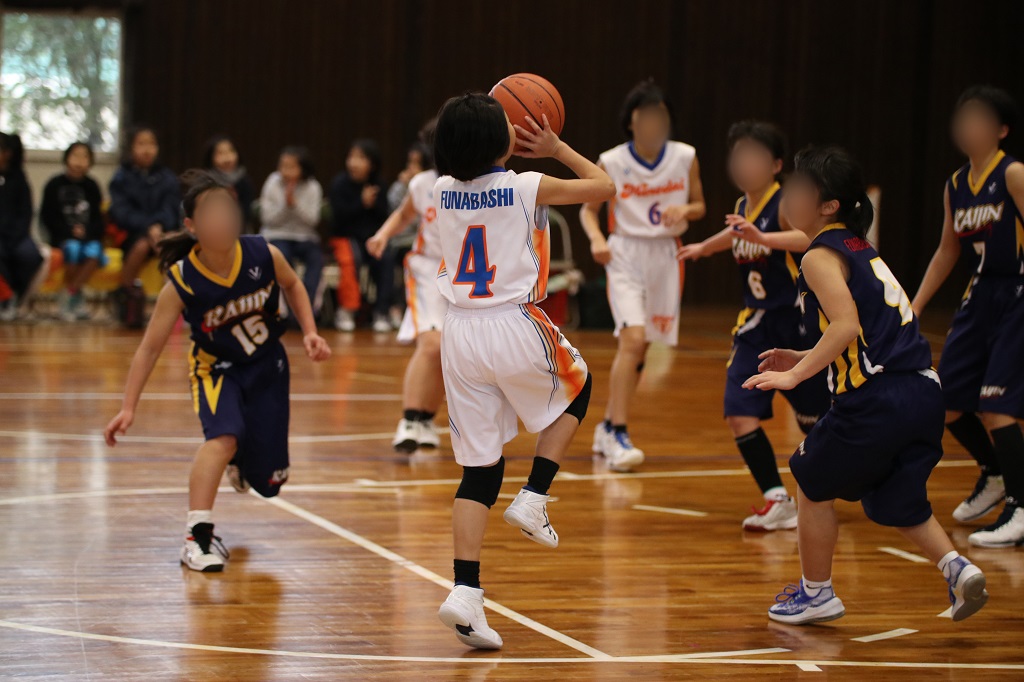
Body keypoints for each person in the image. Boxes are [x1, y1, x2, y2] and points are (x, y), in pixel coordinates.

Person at [745, 145, 988, 625]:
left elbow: (845, 327)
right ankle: (957, 568)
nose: (788, 195)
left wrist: (795, 374)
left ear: (828, 205)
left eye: (799, 188)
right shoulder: (856, 246)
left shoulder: (818, 255)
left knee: (810, 481)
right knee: (895, 495)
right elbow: (866, 329)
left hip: (879, 396)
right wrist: (801, 355)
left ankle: (817, 594)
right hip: (922, 390)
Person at [431, 93, 614, 649]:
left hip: (459, 333)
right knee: (580, 389)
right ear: (499, 142)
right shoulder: (524, 185)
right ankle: (535, 495)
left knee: (479, 469)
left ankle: (465, 592)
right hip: (513, 322)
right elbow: (604, 186)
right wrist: (556, 148)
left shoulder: (439, 191)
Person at [103, 170, 330, 572]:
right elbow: (149, 348)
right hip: (216, 369)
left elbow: (294, 285)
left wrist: (310, 331)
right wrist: (128, 407)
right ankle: (198, 537)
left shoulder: (264, 253)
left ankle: (242, 461)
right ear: (191, 226)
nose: (223, 219)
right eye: (211, 213)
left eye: (228, 210)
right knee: (222, 437)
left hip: (266, 365)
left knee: (269, 483)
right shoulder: (181, 282)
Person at [678, 121, 829, 530]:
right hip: (756, 324)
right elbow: (736, 232)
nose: (744, 163)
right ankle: (776, 497)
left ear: (777, 164)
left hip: (796, 323)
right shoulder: (745, 206)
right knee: (739, 411)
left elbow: (811, 239)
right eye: (739, 155)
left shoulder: (784, 202)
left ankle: (852, 470)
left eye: (754, 156)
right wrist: (704, 248)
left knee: (815, 418)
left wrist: (763, 240)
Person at [912, 85, 1024, 548]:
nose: (969, 126)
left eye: (980, 118)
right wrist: (912, 308)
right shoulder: (956, 184)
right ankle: (995, 473)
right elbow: (946, 250)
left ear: (1000, 129)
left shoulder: (1013, 173)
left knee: (998, 405)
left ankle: (1021, 505)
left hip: (1017, 293)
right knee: (947, 401)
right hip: (979, 296)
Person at [580, 79, 706, 471]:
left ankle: (606, 425)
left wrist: (685, 212)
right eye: (645, 117)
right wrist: (597, 239)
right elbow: (588, 210)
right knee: (632, 341)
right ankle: (618, 430)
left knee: (643, 347)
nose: (654, 123)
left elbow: (700, 205)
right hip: (626, 254)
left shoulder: (685, 157)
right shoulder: (612, 161)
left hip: (666, 256)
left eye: (660, 116)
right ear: (631, 123)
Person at [367, 124, 443, 452]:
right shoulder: (423, 183)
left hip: (466, 278)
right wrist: (383, 235)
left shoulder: (483, 182)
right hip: (428, 269)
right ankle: (409, 419)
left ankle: (427, 419)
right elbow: (403, 214)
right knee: (430, 345)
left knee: (449, 353)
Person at [108, 125, 180, 324]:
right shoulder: (121, 177)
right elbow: (121, 212)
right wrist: (149, 226)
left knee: (166, 244)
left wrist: (158, 225)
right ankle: (126, 296)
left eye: (151, 144)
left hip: (161, 231)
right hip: (131, 233)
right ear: (131, 148)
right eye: (141, 144)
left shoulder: (167, 177)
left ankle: (177, 302)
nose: (147, 150)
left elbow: (171, 209)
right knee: (142, 245)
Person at [328, 139, 393, 332]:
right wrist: (361, 203)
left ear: (372, 164)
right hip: (345, 237)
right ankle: (347, 310)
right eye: (351, 157)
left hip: (371, 239)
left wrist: (373, 204)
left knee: (385, 259)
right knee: (350, 259)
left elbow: (384, 216)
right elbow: (338, 218)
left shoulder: (379, 184)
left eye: (360, 158)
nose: (353, 162)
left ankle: (382, 312)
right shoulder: (339, 184)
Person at [40, 142, 107, 321]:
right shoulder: (54, 184)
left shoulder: (92, 186)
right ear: (66, 158)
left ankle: (71, 293)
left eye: (84, 156)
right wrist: (69, 231)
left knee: (94, 252)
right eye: (75, 156)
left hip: (88, 237)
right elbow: (48, 217)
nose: (79, 161)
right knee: (73, 249)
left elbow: (98, 219)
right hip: (63, 237)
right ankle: (70, 299)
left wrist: (86, 232)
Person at [260, 146, 324, 317]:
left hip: (304, 236)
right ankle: (284, 310)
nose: (285, 171)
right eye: (282, 165)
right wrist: (285, 206)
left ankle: (306, 306)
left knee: (316, 258)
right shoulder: (272, 182)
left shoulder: (313, 186)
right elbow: (267, 218)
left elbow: (313, 221)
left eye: (291, 166)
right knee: (282, 258)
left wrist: (295, 205)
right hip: (276, 234)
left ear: (302, 168)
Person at [0, 132, 44, 322]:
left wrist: (14, 236)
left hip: (15, 235)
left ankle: (16, 295)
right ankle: (6, 298)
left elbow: (25, 212)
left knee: (30, 254)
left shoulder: (18, 178)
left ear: (7, 153)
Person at [203, 135, 255, 230]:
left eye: (230, 151)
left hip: (241, 230)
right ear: (210, 157)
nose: (227, 157)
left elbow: (247, 213)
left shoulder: (244, 181)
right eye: (220, 153)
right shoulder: (206, 181)